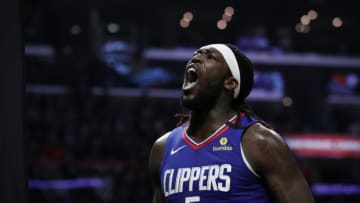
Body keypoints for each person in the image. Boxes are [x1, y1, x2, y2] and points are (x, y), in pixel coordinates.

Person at [149, 43, 314, 203]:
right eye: (195, 54)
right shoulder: (162, 149)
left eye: (209, 57)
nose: (196, 58)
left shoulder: (259, 142)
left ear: (230, 82)